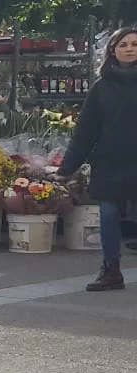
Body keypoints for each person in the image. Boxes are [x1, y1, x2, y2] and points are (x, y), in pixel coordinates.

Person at [60, 26, 137, 291]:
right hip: (109, 162)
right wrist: (68, 166)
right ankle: (111, 270)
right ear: (112, 51)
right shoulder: (101, 87)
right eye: (123, 45)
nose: (129, 49)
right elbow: (86, 131)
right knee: (108, 214)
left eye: (134, 44)